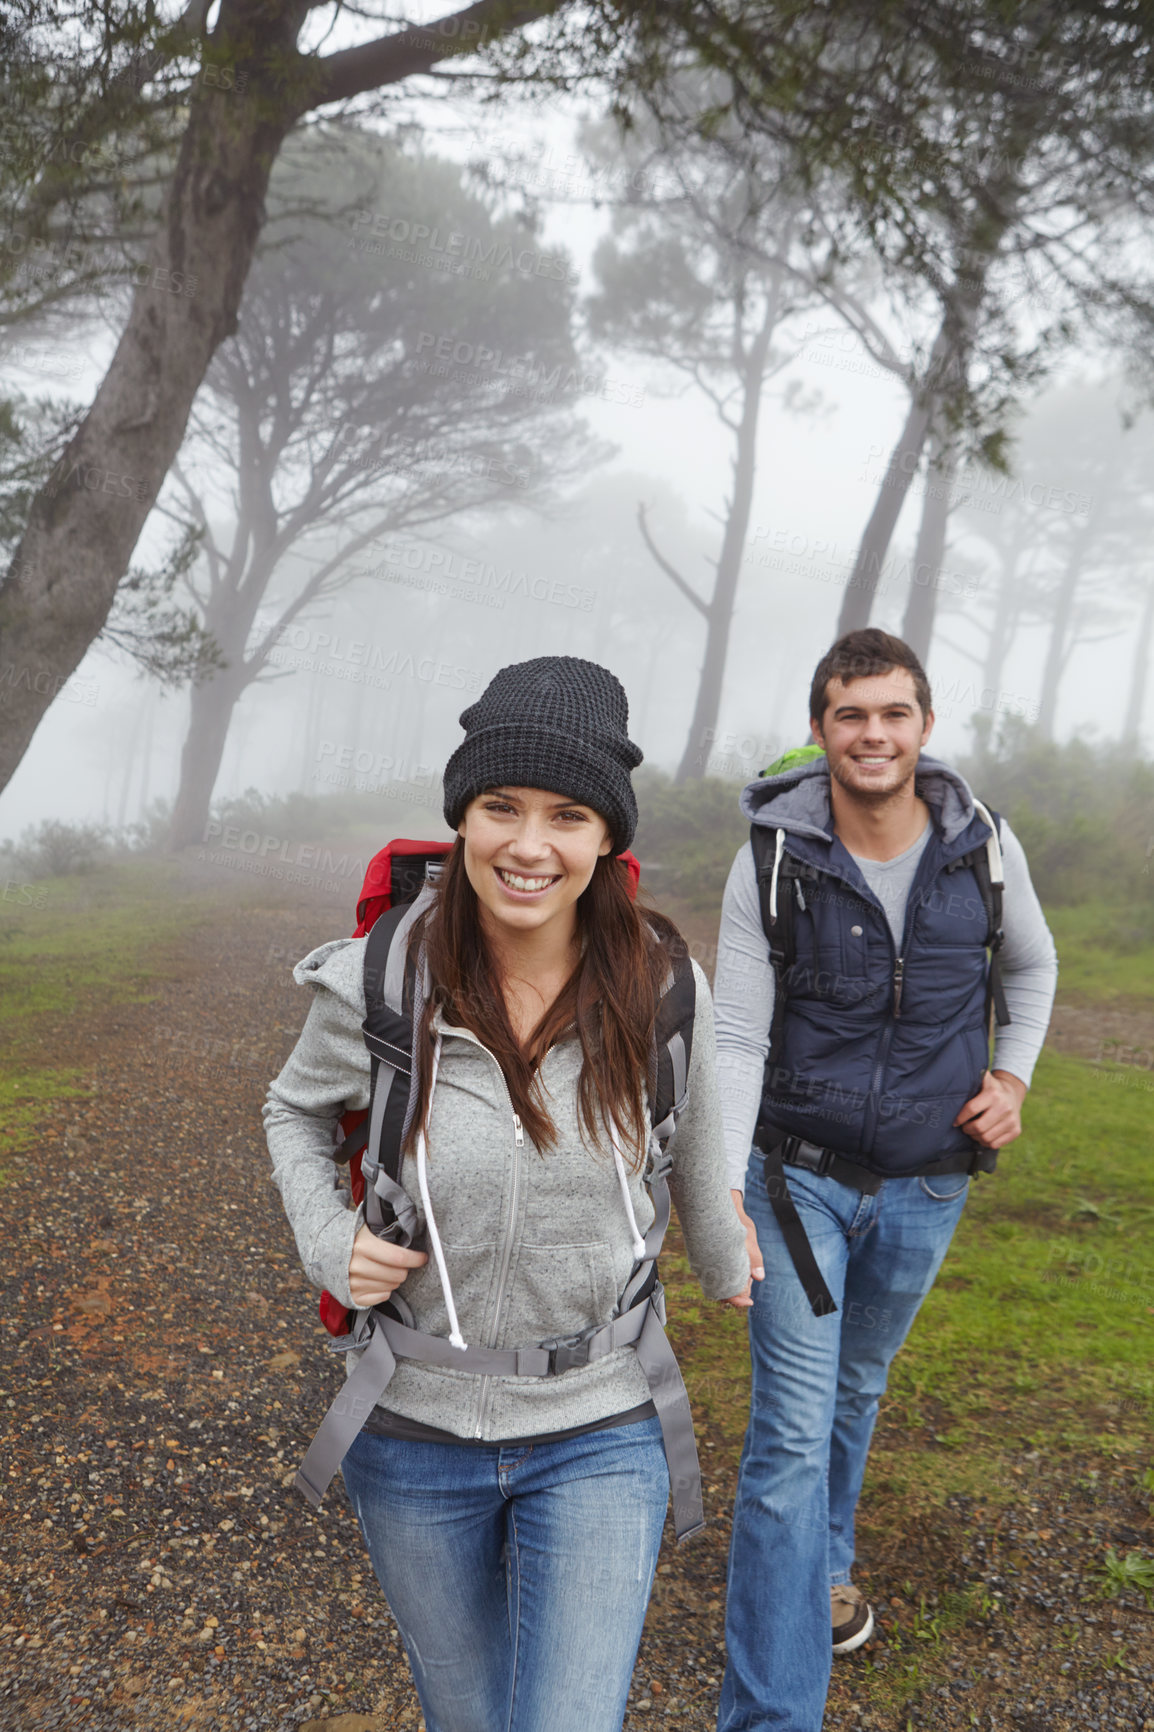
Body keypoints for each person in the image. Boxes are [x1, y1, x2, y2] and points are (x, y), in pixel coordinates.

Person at [264, 655, 754, 1732]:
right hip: (409, 1427)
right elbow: (292, 1111)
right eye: (500, 806)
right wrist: (323, 1234)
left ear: (605, 841)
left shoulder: (663, 985)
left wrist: (724, 1255)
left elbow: (694, 1136)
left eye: (567, 815)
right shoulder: (377, 978)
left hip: (599, 1421)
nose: (529, 845)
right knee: (469, 1718)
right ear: (461, 818)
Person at [714, 630, 1058, 1732]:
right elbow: (731, 1032)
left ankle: (825, 1567)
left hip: (926, 1183)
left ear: (923, 723)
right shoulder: (772, 853)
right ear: (819, 728)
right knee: (787, 1430)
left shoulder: (982, 846)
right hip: (795, 1179)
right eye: (850, 713)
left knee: (854, 1392)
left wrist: (1010, 1074)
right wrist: (721, 1182)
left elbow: (1031, 967)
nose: (872, 733)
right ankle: (773, 1711)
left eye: (892, 713)